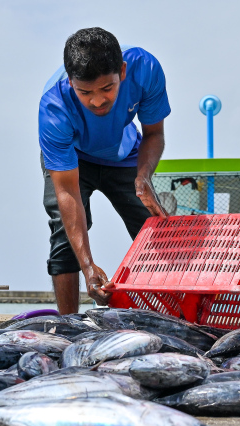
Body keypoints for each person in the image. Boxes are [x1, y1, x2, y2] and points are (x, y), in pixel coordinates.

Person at [38, 28, 170, 314]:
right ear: (71, 81)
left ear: (122, 71)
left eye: (107, 89)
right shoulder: (53, 106)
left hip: (123, 155)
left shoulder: (145, 69)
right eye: (85, 92)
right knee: (65, 235)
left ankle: (174, 317)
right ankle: (68, 327)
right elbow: (67, 190)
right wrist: (88, 265)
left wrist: (144, 175)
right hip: (72, 159)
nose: (97, 101)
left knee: (154, 231)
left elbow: (154, 134)